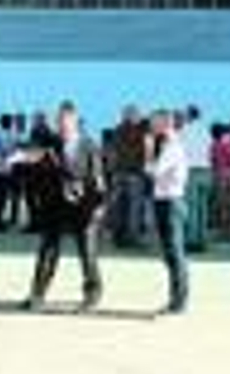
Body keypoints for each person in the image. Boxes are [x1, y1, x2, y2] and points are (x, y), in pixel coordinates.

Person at [19, 101, 107, 313]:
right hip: (54, 206)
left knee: (88, 254)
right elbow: (33, 162)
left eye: (66, 121)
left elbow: (98, 178)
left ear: (75, 121)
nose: (62, 125)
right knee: (47, 252)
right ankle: (37, 295)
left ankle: (92, 296)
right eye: (59, 121)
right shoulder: (50, 143)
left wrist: (99, 205)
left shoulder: (89, 145)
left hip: (84, 207)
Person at [147, 109, 190, 316]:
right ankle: (176, 299)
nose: (151, 126)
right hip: (164, 201)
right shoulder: (166, 144)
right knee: (170, 253)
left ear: (165, 124)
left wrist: (148, 151)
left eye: (154, 123)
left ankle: (178, 301)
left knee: (174, 253)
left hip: (171, 203)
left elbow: (154, 172)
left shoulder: (172, 146)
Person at [108, 105, 153, 247]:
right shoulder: (142, 131)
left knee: (118, 207)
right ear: (133, 116)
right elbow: (148, 151)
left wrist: (112, 171)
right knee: (134, 207)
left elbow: (112, 153)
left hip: (118, 173)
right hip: (135, 173)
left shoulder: (117, 130)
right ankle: (132, 237)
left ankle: (118, 236)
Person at [179, 106, 214, 253]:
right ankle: (202, 239)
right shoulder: (206, 132)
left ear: (189, 116)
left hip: (191, 171)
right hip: (206, 171)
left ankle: (192, 240)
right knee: (203, 208)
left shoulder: (184, 131)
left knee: (191, 207)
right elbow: (210, 151)